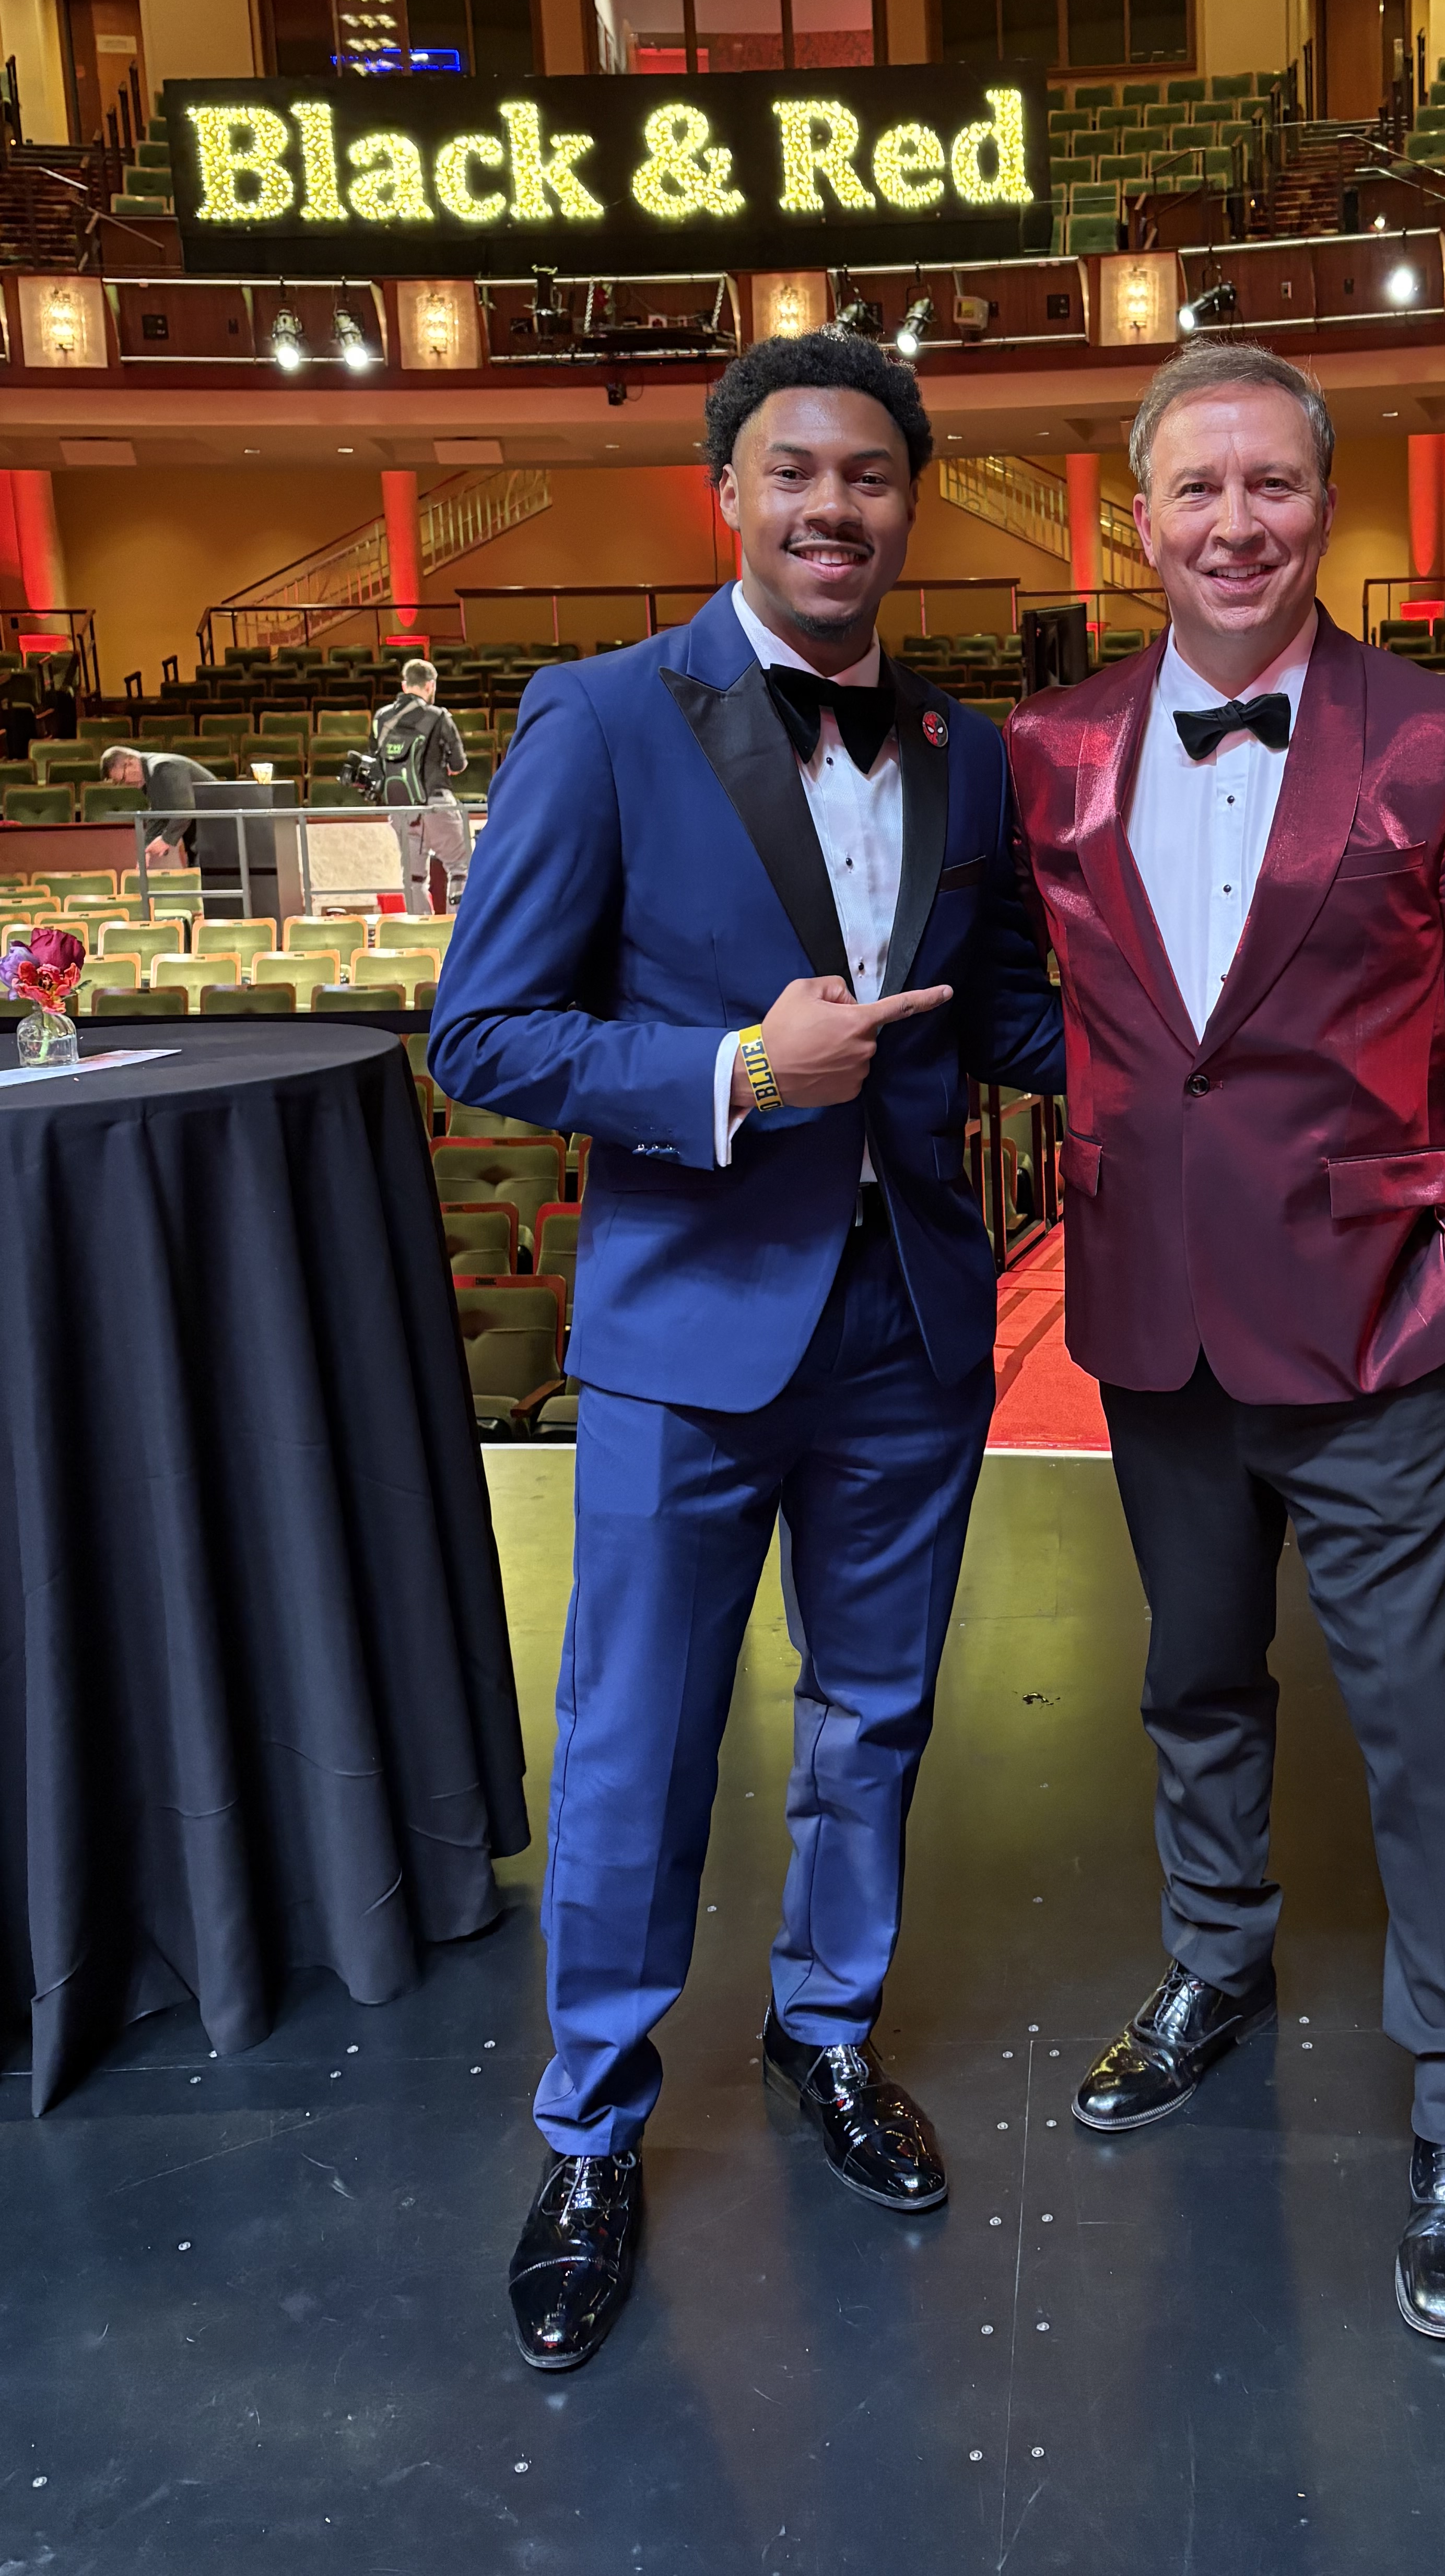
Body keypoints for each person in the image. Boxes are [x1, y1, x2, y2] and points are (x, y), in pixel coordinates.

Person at [429, 329, 1065, 2376]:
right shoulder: (601, 714)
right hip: (688, 1321)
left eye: (868, 473)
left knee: (875, 1716)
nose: (830, 505)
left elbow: (1008, 1016)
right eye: (794, 469)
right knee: (638, 1740)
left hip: (912, 1319)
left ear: (911, 504)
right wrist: (730, 1069)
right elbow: (486, 1030)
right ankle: (592, 2134)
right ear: (729, 493)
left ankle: (827, 2032)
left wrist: (1238, 1025)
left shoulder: (970, 752)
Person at [1005, 340, 1445, 2343]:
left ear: (1325, 509)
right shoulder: (1052, 744)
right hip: (1150, 1324)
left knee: (1414, 1722)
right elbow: (1059, 1013)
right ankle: (1215, 1958)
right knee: (1190, 1681)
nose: (1234, 522)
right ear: (1135, 520)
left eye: (1270, 485)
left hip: (1373, 1329)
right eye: (1197, 487)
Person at [369, 657, 472, 915]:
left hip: (401, 810)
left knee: (414, 878)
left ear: (405, 686)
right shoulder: (438, 716)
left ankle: (420, 931)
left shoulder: (381, 718)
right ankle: (457, 929)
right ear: (430, 686)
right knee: (460, 867)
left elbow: (375, 760)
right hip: (436, 805)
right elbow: (459, 764)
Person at [98, 742, 217, 868]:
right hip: (203, 835)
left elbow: (185, 810)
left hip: (218, 830)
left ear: (131, 762)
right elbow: (158, 814)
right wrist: (146, 851)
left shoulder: (163, 768)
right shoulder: (150, 776)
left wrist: (166, 840)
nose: (126, 784)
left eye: (123, 779)